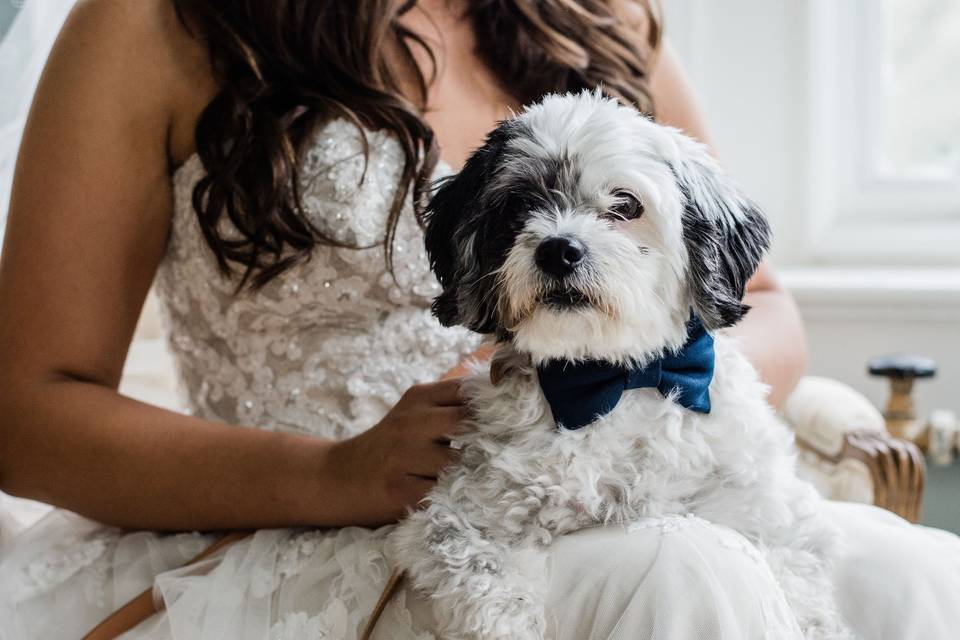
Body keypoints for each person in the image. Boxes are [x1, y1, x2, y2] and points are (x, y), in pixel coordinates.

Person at [0, 1, 957, 638]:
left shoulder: (601, 16)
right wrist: (339, 473)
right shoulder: (154, 21)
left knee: (915, 579)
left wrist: (634, 403)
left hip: (641, 486)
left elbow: (760, 303)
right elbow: (28, 413)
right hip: (317, 530)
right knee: (680, 580)